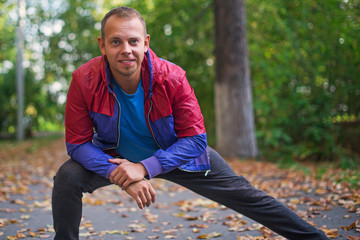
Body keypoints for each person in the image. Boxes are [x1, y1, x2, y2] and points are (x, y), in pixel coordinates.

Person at [52, 6, 330, 240]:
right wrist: (124, 176)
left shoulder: (171, 77)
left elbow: (196, 140)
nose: (126, 50)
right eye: (116, 42)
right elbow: (77, 143)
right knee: (67, 177)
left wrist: (143, 168)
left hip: (175, 154)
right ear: (102, 45)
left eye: (133, 41)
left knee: (248, 196)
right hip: (116, 159)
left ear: (146, 43)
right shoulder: (84, 80)